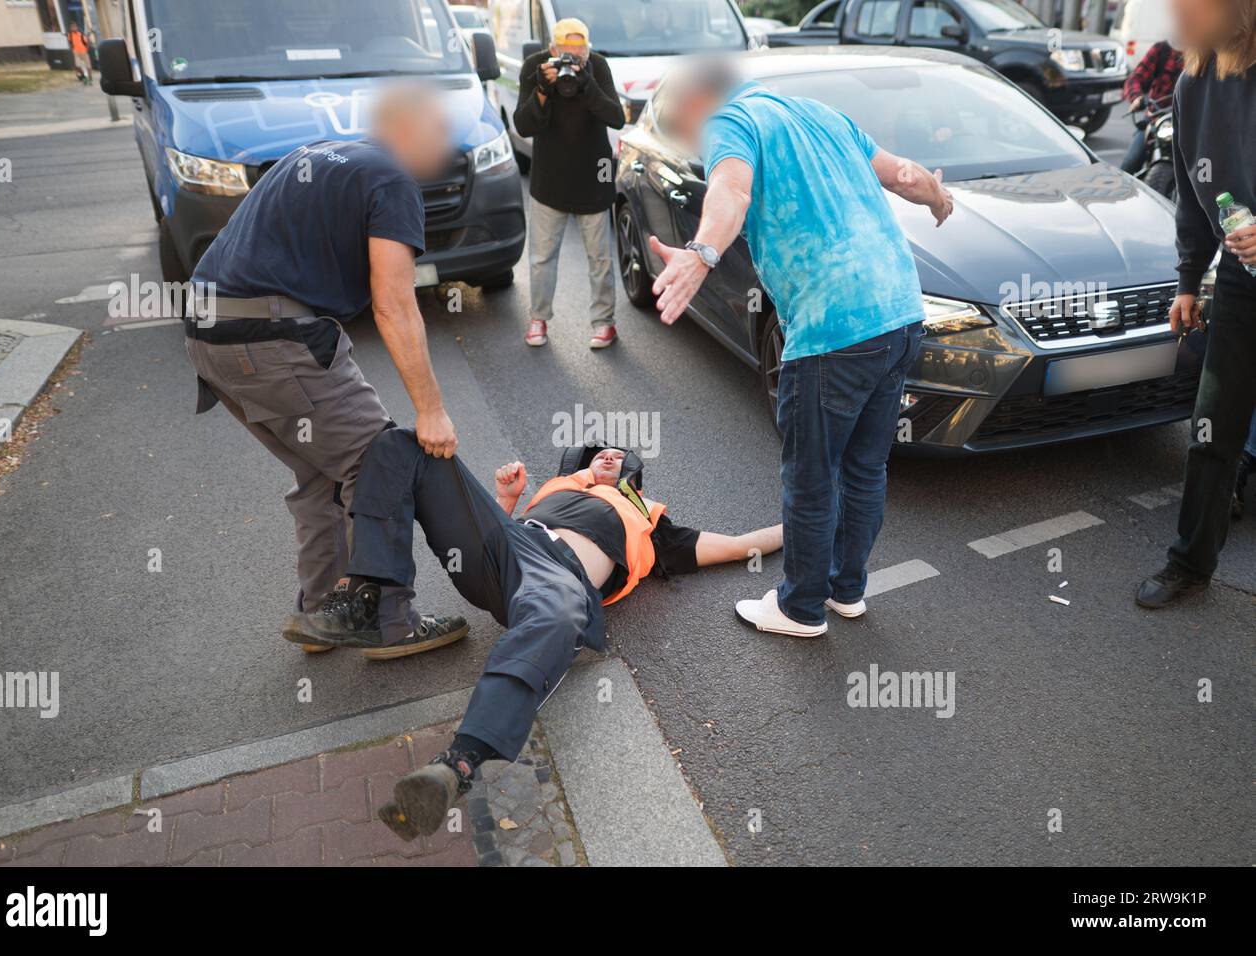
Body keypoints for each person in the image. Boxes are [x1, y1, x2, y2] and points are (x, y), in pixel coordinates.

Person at [284, 437, 782, 837]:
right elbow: (498, 529)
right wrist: (507, 503)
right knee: (402, 444)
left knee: (558, 617)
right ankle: (365, 595)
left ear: (631, 472)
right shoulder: (554, 490)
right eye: (597, 451)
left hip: (557, 581)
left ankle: (457, 764)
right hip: (504, 548)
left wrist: (808, 523)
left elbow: (741, 546)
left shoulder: (653, 522)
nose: (608, 454)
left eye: (618, 453)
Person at [646, 59, 952, 637]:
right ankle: (846, 591)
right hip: (901, 313)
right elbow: (906, 176)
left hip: (832, 328)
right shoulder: (823, 115)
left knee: (812, 475)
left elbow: (731, 190)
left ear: (696, 104)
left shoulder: (729, 123)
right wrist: (939, 198)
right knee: (864, 467)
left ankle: (800, 609)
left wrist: (702, 254)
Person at [186, 84, 468, 654]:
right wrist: (430, 408)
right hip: (272, 339)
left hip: (209, 335)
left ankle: (321, 613)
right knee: (381, 462)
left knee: (323, 472)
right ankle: (387, 623)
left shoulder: (315, 153)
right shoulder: (391, 181)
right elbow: (394, 303)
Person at [1136, 0, 1256, 608]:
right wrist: (1189, 280)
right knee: (1212, 428)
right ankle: (1190, 564)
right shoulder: (1193, 84)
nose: (1175, 14)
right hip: (1242, 277)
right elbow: (1192, 193)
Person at [513, 18, 625, 349]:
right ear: (553, 51)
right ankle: (538, 319)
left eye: (579, 55)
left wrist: (586, 80)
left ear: (587, 52)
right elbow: (522, 125)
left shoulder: (597, 66)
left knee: (600, 259)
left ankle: (605, 323)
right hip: (550, 177)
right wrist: (544, 89)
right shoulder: (535, 67)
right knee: (542, 257)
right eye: (568, 56)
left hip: (595, 176)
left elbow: (615, 117)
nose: (573, 62)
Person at [1119, 38, 1184, 173]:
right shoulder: (1163, 49)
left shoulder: (1208, 55)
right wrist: (1137, 98)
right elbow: (1135, 77)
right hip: (1156, 118)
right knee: (1130, 163)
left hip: (1188, 123)